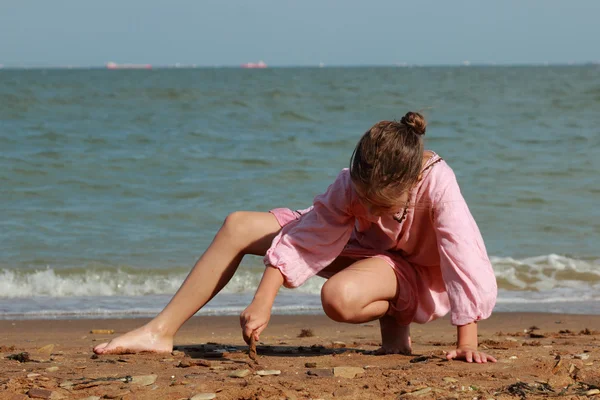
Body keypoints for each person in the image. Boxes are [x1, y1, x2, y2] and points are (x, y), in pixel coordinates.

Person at [94, 111, 498, 363]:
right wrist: (262, 300)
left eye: (383, 207)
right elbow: (308, 237)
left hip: (410, 270)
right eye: (365, 200)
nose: (371, 213)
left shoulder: (438, 185)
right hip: (358, 249)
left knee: (338, 298)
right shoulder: (352, 186)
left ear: (410, 186)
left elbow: (462, 257)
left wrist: (467, 340)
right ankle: (159, 332)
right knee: (238, 224)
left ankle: (396, 322)